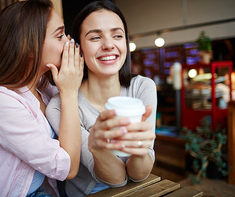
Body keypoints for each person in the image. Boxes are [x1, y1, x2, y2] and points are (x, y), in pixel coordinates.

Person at [0, 0, 84, 196]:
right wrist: (70, 92)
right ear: (29, 46)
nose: (69, 42)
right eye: (60, 35)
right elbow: (68, 167)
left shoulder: (43, 87)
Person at [46, 1, 157, 196]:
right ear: (77, 48)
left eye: (117, 36)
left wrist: (140, 149)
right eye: (95, 37)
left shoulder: (142, 88)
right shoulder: (59, 106)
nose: (108, 45)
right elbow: (116, 180)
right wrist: (97, 149)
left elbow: (139, 175)